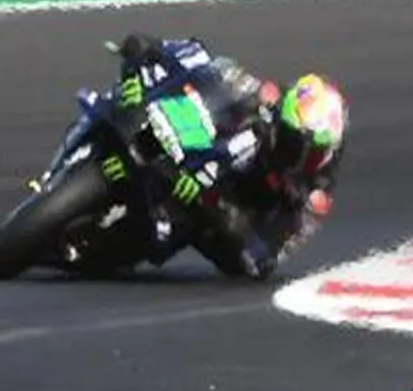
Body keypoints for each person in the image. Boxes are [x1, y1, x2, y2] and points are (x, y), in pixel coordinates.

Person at [113, 33, 348, 279]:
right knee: (162, 53)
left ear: (330, 150)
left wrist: (218, 211)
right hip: (204, 151)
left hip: (221, 213)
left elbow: (264, 259)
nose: (298, 154)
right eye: (293, 141)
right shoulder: (269, 100)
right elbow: (216, 72)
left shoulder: (315, 197)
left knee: (163, 236)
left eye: (312, 152)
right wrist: (156, 55)